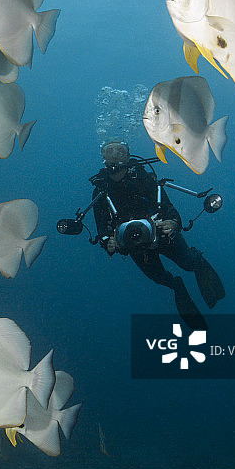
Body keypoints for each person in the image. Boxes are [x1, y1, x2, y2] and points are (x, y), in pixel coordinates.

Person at [92, 140, 225, 330]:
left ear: (128, 156)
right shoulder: (100, 191)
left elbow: (169, 209)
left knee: (188, 263)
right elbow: (101, 229)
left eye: (120, 151)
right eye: (109, 152)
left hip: (162, 233)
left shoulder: (145, 178)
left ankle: (198, 261)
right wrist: (109, 242)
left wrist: (172, 223)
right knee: (160, 278)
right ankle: (177, 287)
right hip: (134, 245)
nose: (114, 156)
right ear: (103, 158)